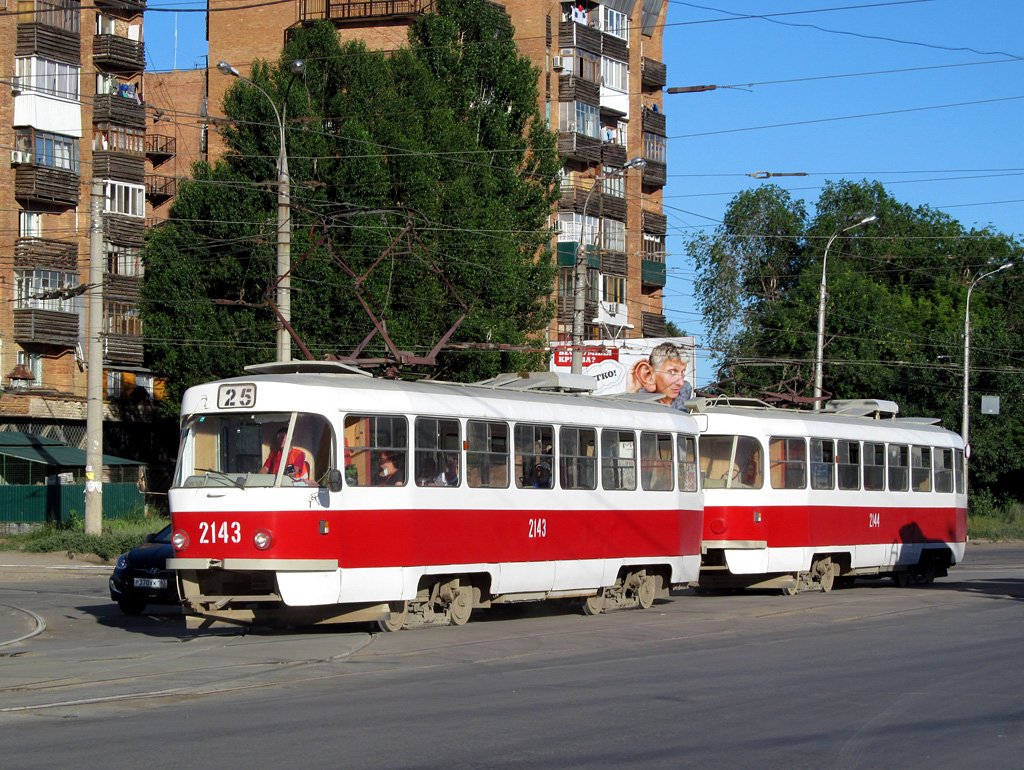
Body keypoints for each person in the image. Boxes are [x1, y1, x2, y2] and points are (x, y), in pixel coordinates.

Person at [628, 342, 693, 410]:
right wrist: (632, 392)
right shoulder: (642, 399)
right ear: (648, 374)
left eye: (682, 372)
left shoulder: (686, 389)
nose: (681, 383)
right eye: (671, 372)